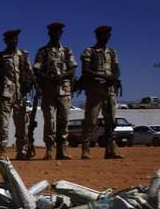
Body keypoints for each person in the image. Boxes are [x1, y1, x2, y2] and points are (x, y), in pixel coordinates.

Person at [33, 22, 78, 160]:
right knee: (50, 121)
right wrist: (48, 78)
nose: (56, 34)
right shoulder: (43, 51)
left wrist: (62, 76)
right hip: (48, 91)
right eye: (54, 32)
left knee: (64, 121)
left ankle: (63, 150)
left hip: (64, 90)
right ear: (49, 34)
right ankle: (49, 149)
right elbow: (36, 69)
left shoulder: (67, 51)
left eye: (59, 32)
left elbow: (72, 69)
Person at [0, 29, 36, 160]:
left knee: (22, 126)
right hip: (5, 95)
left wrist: (36, 86)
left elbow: (30, 72)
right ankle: (3, 152)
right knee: (4, 126)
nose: (14, 42)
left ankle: (21, 150)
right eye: (11, 40)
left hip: (20, 95)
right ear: (6, 41)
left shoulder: (23, 55)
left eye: (15, 39)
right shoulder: (0, 57)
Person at [80, 26, 123, 159]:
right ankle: (86, 149)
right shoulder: (90, 51)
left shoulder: (112, 52)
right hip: (94, 91)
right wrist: (105, 77)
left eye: (108, 35)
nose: (107, 37)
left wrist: (114, 78)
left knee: (110, 121)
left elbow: (116, 70)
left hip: (109, 91)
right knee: (90, 121)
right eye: (104, 34)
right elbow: (85, 71)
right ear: (98, 36)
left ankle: (111, 149)